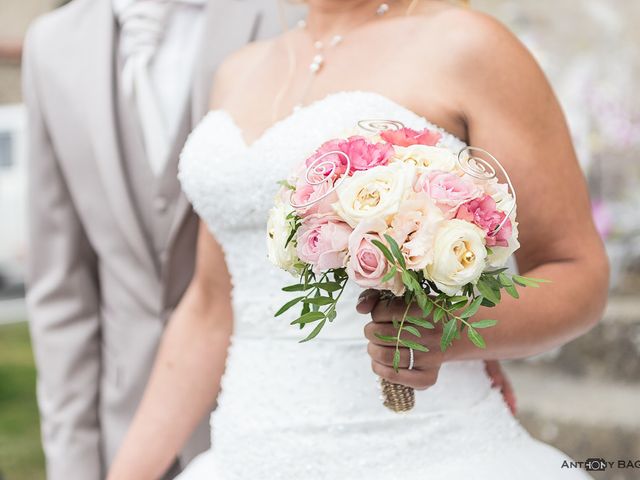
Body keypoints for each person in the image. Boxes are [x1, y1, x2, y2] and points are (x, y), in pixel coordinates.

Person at [108, 0, 609, 478]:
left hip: (426, 453)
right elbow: (212, 307)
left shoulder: (469, 45)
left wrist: (452, 329)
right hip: (245, 452)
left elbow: (577, 271)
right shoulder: (236, 71)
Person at [22, 0, 294, 478]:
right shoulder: (51, 43)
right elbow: (61, 290)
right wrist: (73, 462)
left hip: (268, 416)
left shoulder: (284, 13)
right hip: (120, 426)